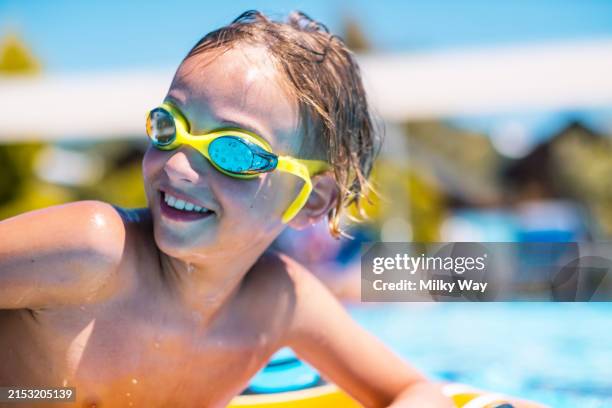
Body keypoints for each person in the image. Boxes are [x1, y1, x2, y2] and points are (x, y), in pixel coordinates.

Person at [0, 11, 454, 407]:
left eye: (234, 151)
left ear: (311, 199)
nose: (177, 165)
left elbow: (415, 390)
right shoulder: (93, 250)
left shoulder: (279, 302)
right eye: (168, 126)